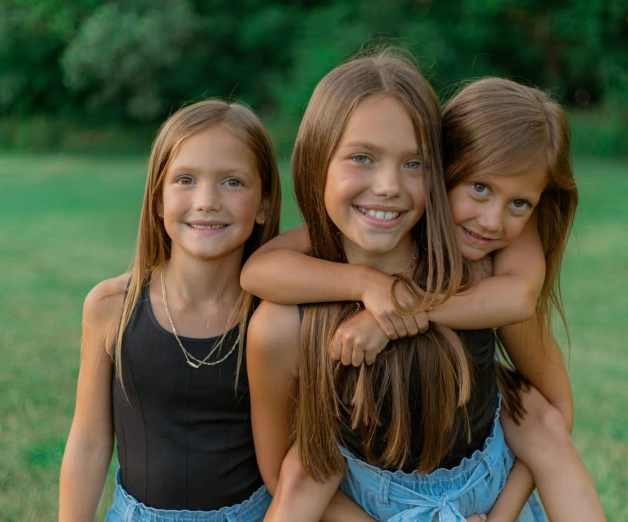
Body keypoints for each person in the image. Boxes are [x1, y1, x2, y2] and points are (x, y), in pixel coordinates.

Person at [242, 75, 605, 521]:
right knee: (303, 473)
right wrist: (369, 286)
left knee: (542, 425)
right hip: (368, 504)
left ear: (431, 171)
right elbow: (257, 270)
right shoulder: (288, 316)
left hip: (484, 498)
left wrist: (399, 310)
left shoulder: (485, 271)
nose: (492, 220)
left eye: (413, 164)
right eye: (479, 188)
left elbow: (525, 320)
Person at [59, 99, 281, 522]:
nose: (207, 200)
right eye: (185, 180)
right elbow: (88, 443)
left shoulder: (274, 318)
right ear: (158, 200)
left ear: (265, 204)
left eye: (233, 182)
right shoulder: (111, 307)